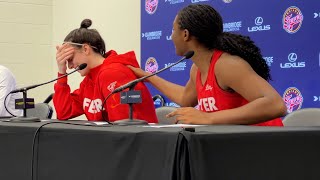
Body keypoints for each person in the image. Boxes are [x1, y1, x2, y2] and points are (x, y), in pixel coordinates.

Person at [128, 4, 287, 126]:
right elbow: (185, 99)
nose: (170, 37)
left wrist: (208, 117)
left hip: (263, 146)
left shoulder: (226, 64)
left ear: (185, 34)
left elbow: (276, 105)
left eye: (173, 30)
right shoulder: (196, 68)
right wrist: (147, 77)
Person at [53, 19, 157, 123]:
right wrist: (62, 72)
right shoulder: (89, 80)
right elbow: (64, 113)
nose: (70, 66)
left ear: (85, 49)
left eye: (70, 59)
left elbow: (123, 127)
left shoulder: (112, 73)